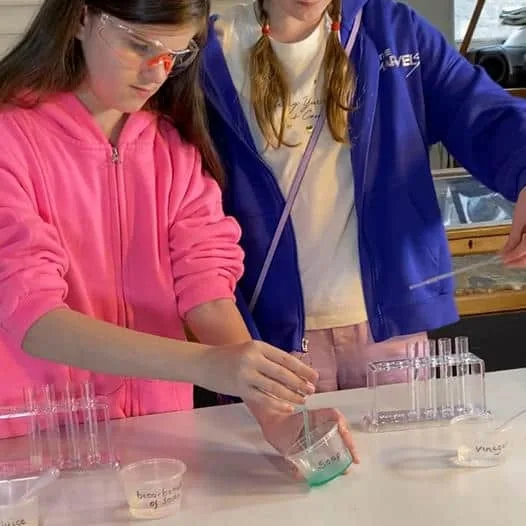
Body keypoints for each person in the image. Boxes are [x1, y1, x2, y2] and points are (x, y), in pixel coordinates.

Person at [0, 0, 359, 465]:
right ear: (81, 17)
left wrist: (275, 414)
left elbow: (207, 292)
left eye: (175, 54)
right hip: (36, 443)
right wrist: (205, 365)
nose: (156, 74)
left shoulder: (172, 147)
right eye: (139, 45)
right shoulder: (10, 141)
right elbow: (35, 317)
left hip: (159, 441)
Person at [201, 0, 526, 394]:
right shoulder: (210, 51)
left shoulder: (392, 30)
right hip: (269, 337)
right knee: (280, 455)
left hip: (388, 330)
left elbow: (485, 114)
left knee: (403, 455)